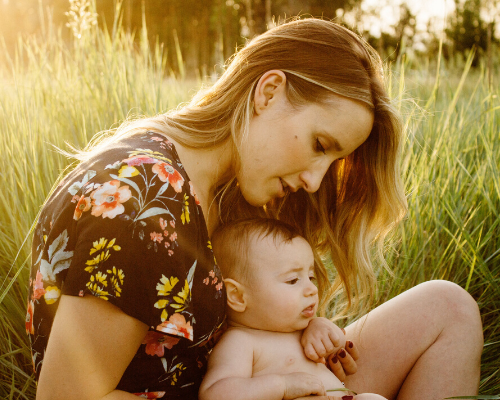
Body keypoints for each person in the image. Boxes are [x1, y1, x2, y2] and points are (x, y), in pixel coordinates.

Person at [26, 18, 483, 400]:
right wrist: (279, 387)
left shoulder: (217, 184)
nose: (314, 180)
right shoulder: (145, 203)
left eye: (332, 161)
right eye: (319, 145)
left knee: (447, 309)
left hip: (251, 381)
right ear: (268, 92)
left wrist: (303, 338)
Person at [200, 218, 388, 400]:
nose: (312, 289)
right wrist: (282, 386)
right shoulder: (240, 343)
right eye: (292, 280)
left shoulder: (304, 329)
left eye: (311, 277)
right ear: (238, 296)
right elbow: (215, 395)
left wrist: (325, 331)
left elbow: (337, 350)